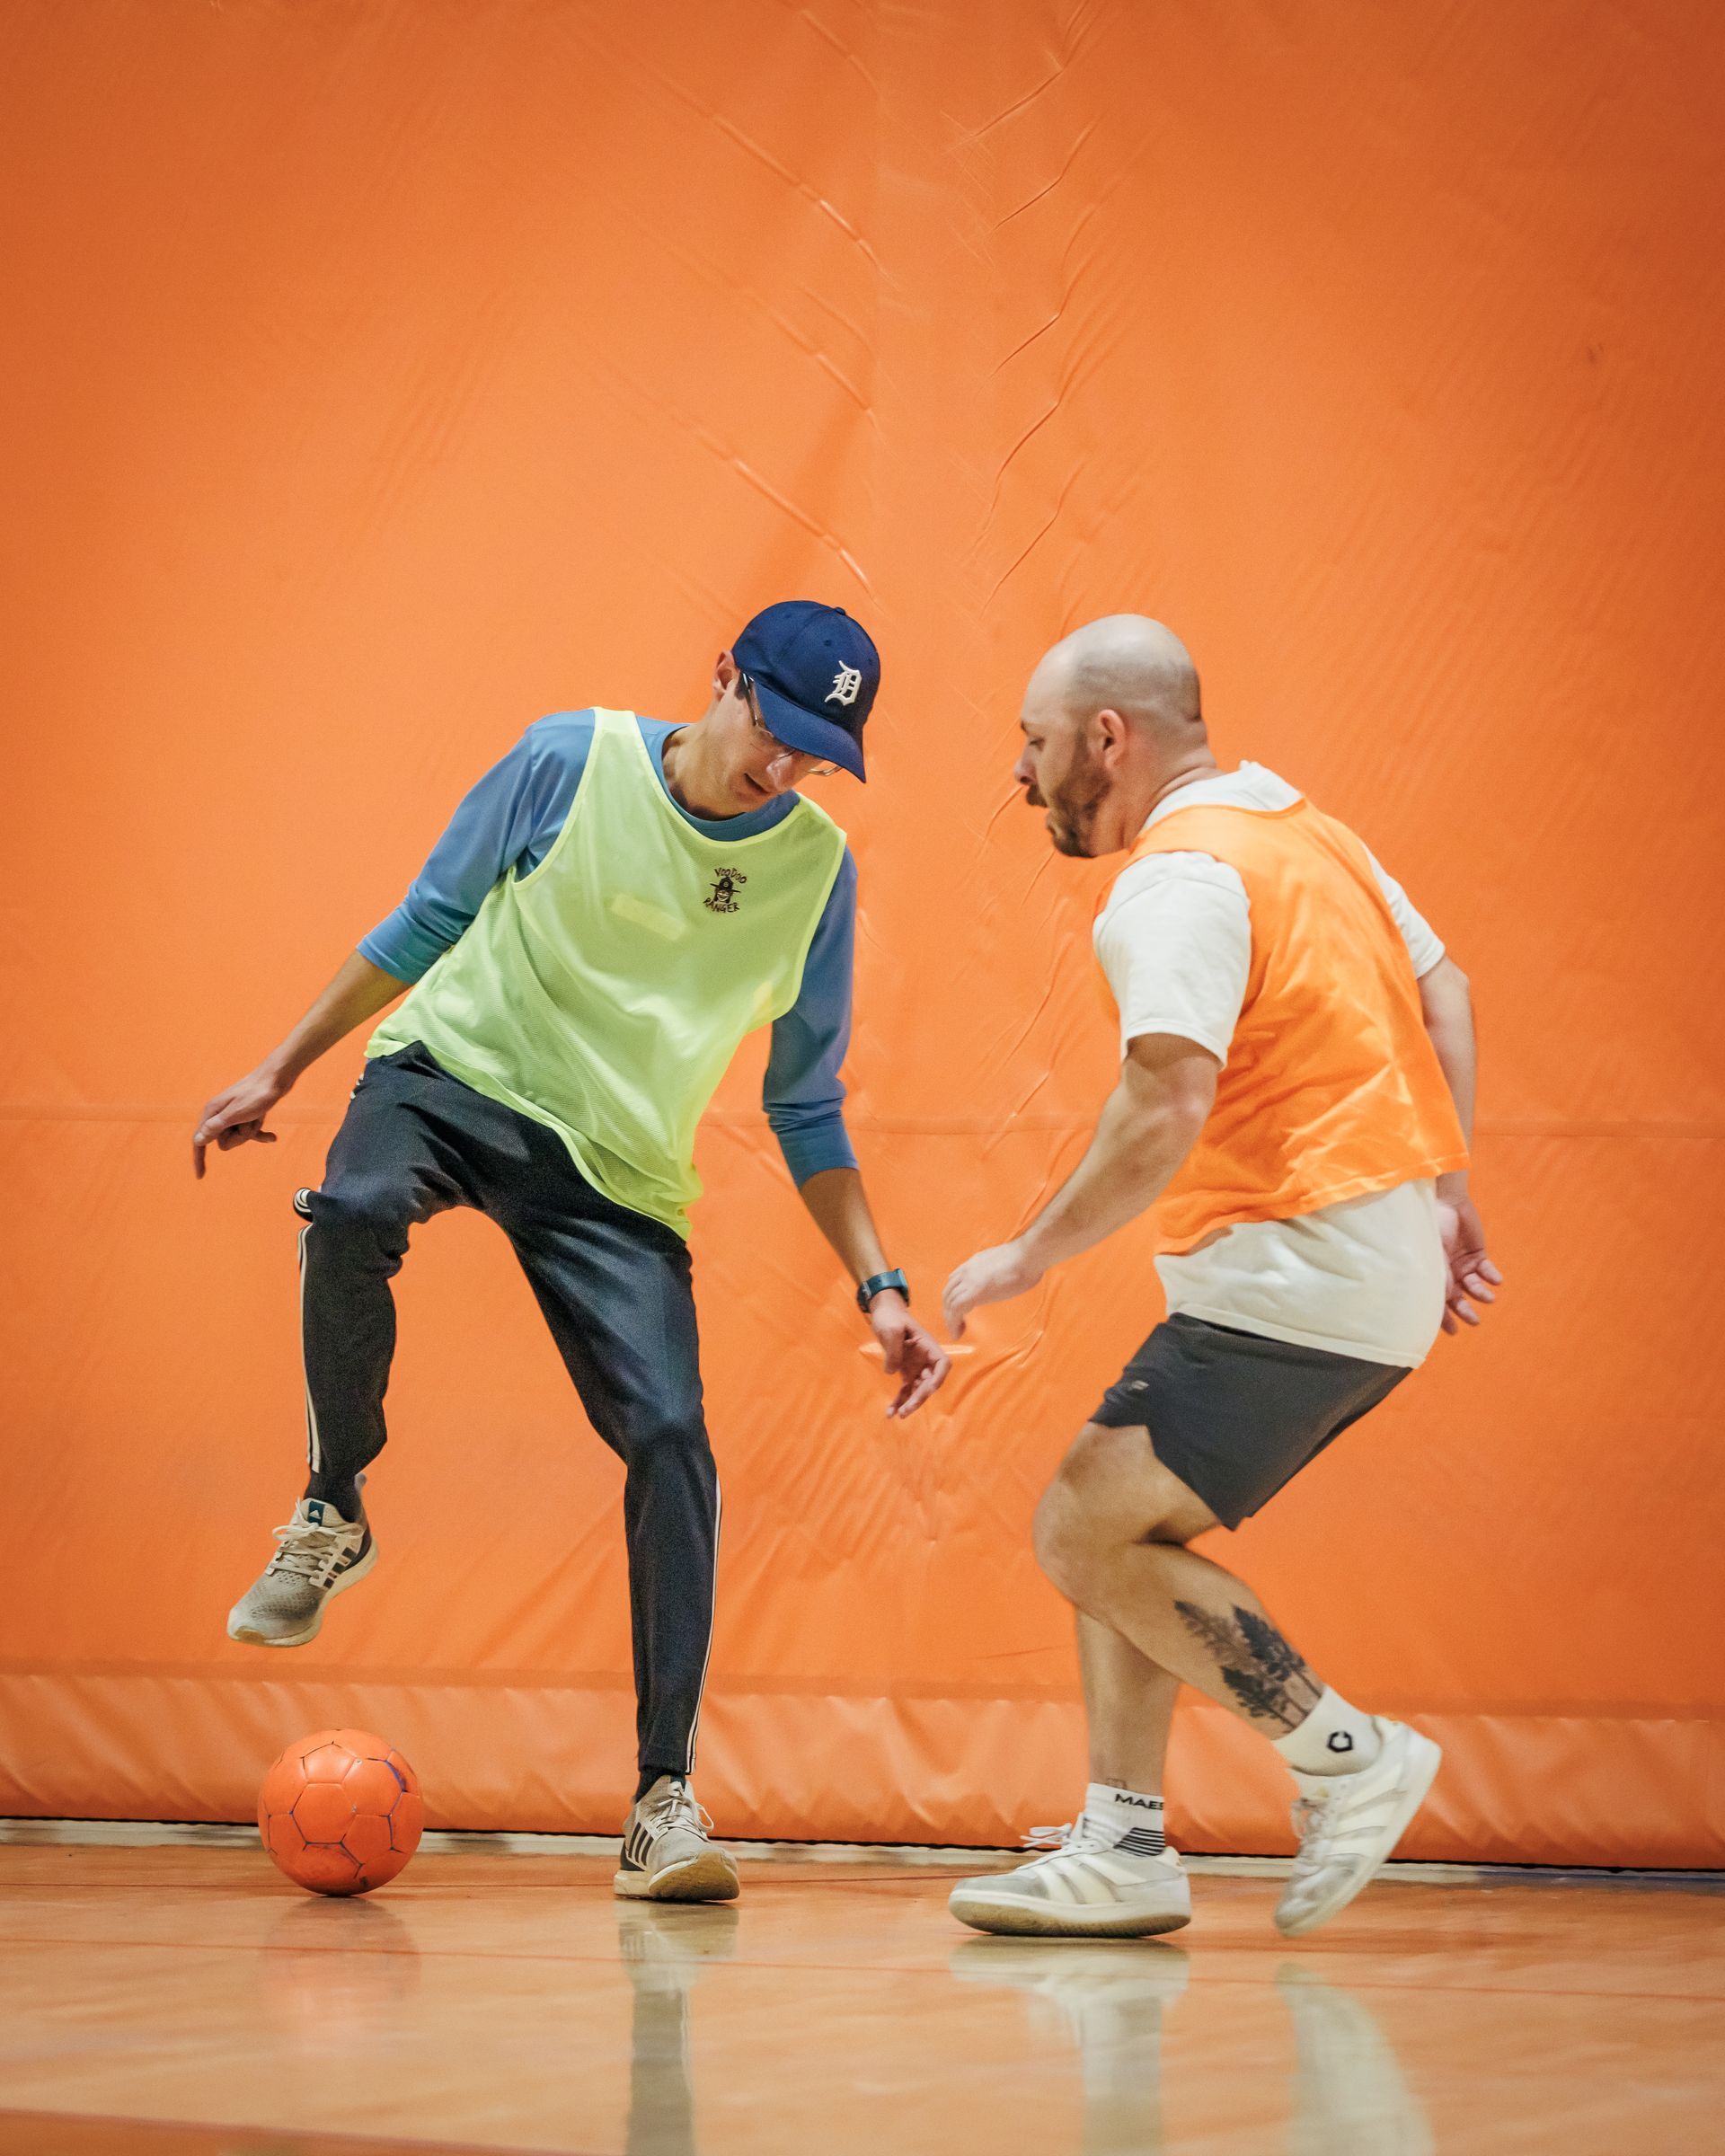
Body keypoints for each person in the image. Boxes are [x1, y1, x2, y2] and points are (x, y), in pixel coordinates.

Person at [195, 600, 949, 1903]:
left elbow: (806, 1104)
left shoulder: (817, 872)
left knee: (672, 1438)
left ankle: (664, 1801)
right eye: (775, 727)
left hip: (615, 1171)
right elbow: (422, 922)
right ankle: (333, 1505)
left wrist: (879, 1286)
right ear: (725, 677)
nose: (786, 766)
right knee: (354, 1209)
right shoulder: (569, 759)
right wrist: (283, 1067)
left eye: (818, 754)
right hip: (451, 1076)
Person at [942, 614, 1499, 1940]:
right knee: (1119, 1528)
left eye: (1033, 740)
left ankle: (1345, 1757)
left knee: (1078, 1528)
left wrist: (1025, 1254)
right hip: (1357, 1262)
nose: (1020, 771)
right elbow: (1448, 994)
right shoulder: (1304, 831)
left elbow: (1166, 1100)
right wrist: (1444, 1192)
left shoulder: (1178, 882)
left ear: (1107, 737)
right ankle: (1123, 1846)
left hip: (1297, 1266)